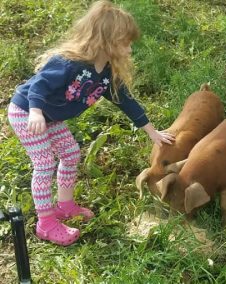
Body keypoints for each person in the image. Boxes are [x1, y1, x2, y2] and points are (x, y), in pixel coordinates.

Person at [7, 0, 175, 246]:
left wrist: (152, 132)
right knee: (44, 164)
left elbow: (124, 100)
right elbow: (39, 86)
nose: (129, 49)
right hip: (26, 112)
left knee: (71, 153)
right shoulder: (69, 63)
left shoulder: (106, 72)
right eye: (125, 43)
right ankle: (46, 223)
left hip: (50, 116)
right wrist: (35, 112)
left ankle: (64, 205)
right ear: (107, 41)